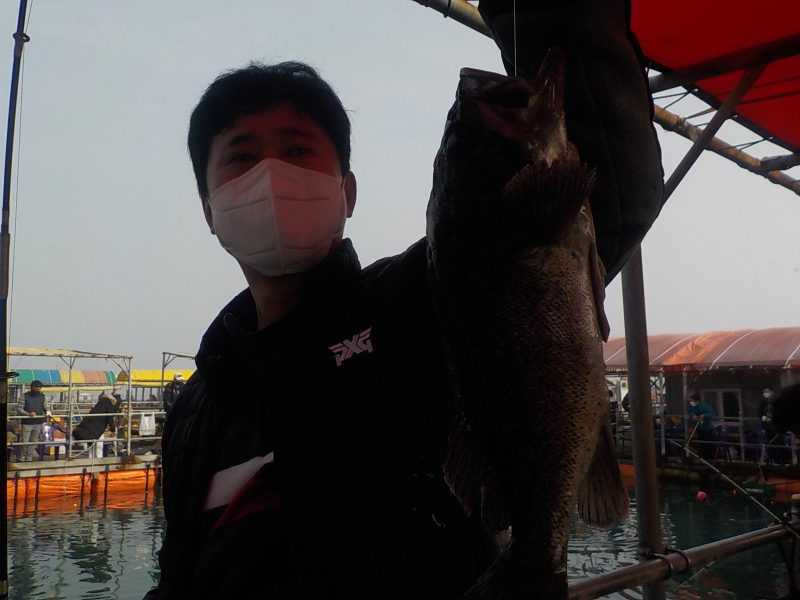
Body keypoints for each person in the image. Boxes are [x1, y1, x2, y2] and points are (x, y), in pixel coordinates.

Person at [145, 5, 664, 598]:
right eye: (241, 156)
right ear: (209, 209)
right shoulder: (195, 408)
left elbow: (610, 179)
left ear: (347, 192)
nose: (270, 173)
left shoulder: (420, 299)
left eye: (298, 151)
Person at [73, 393, 118, 457]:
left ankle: (90, 460)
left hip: (88, 426)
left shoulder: (99, 404)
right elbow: (110, 418)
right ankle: (98, 461)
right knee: (99, 447)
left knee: (90, 445)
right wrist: (113, 430)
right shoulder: (109, 405)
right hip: (97, 428)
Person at [16, 380, 51, 462]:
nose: (37, 391)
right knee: (24, 441)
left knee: (33, 442)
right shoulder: (24, 396)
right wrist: (28, 414)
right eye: (35, 389)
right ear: (31, 388)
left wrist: (47, 411)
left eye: (39, 389)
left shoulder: (43, 397)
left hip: (38, 422)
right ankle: (21, 458)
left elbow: (45, 407)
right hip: (26, 423)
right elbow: (19, 408)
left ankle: (29, 458)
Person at [688, 393, 716, 460]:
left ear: (697, 401)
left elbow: (712, 412)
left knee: (709, 444)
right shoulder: (693, 407)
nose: (692, 402)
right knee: (701, 444)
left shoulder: (705, 406)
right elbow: (690, 412)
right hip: (699, 428)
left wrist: (704, 415)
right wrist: (693, 415)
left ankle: (710, 458)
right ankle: (702, 457)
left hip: (707, 428)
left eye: (693, 401)